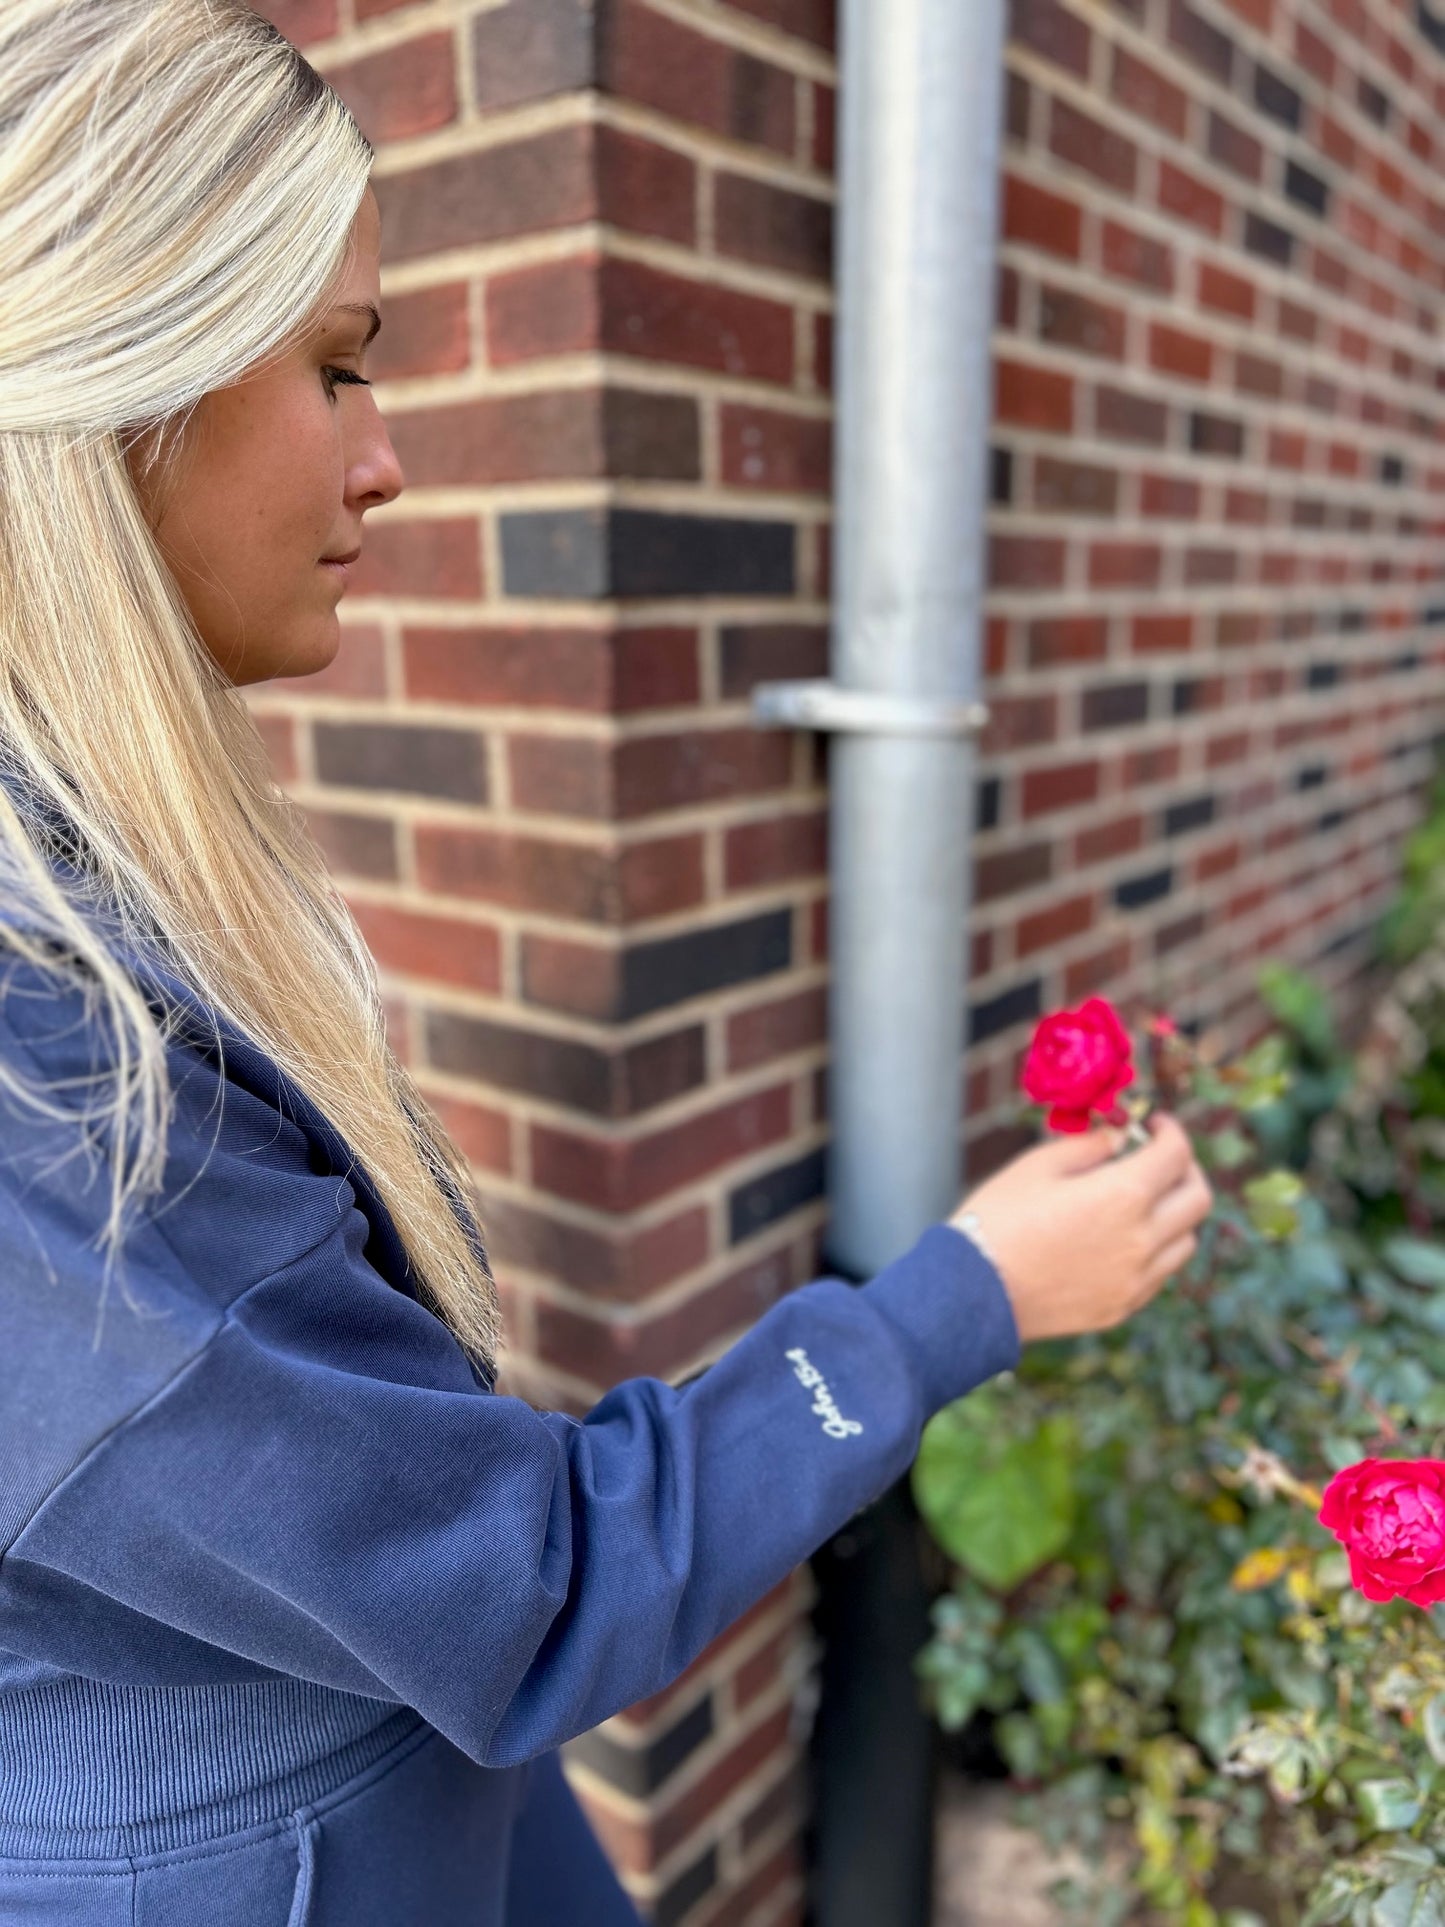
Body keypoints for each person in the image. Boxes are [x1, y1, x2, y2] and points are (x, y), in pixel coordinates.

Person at [0, 4, 1217, 1922]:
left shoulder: (90, 894)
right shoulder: (41, 1083)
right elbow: (532, 1584)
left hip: (419, 1788)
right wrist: (961, 1298)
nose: (387, 461)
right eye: (337, 366)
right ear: (113, 384)